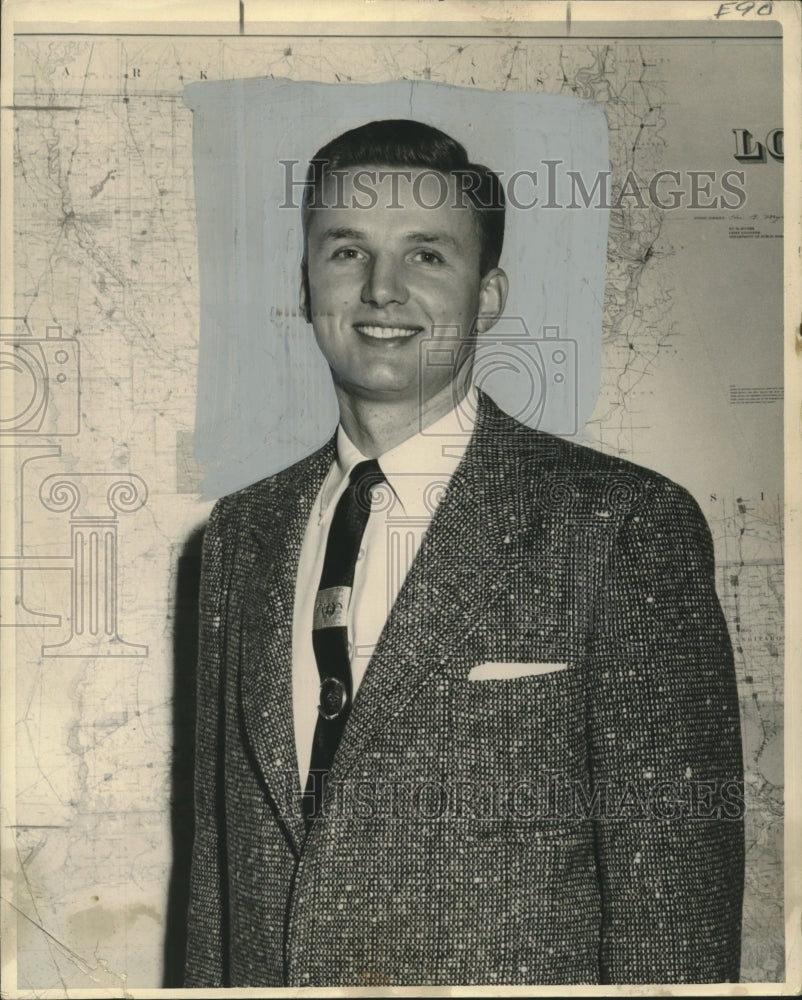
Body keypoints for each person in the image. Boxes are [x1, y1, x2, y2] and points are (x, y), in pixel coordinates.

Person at [184, 119, 744, 987]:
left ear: (486, 294)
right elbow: (217, 886)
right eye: (346, 252)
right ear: (305, 283)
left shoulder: (622, 526)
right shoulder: (238, 537)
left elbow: (675, 905)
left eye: (427, 257)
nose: (381, 289)